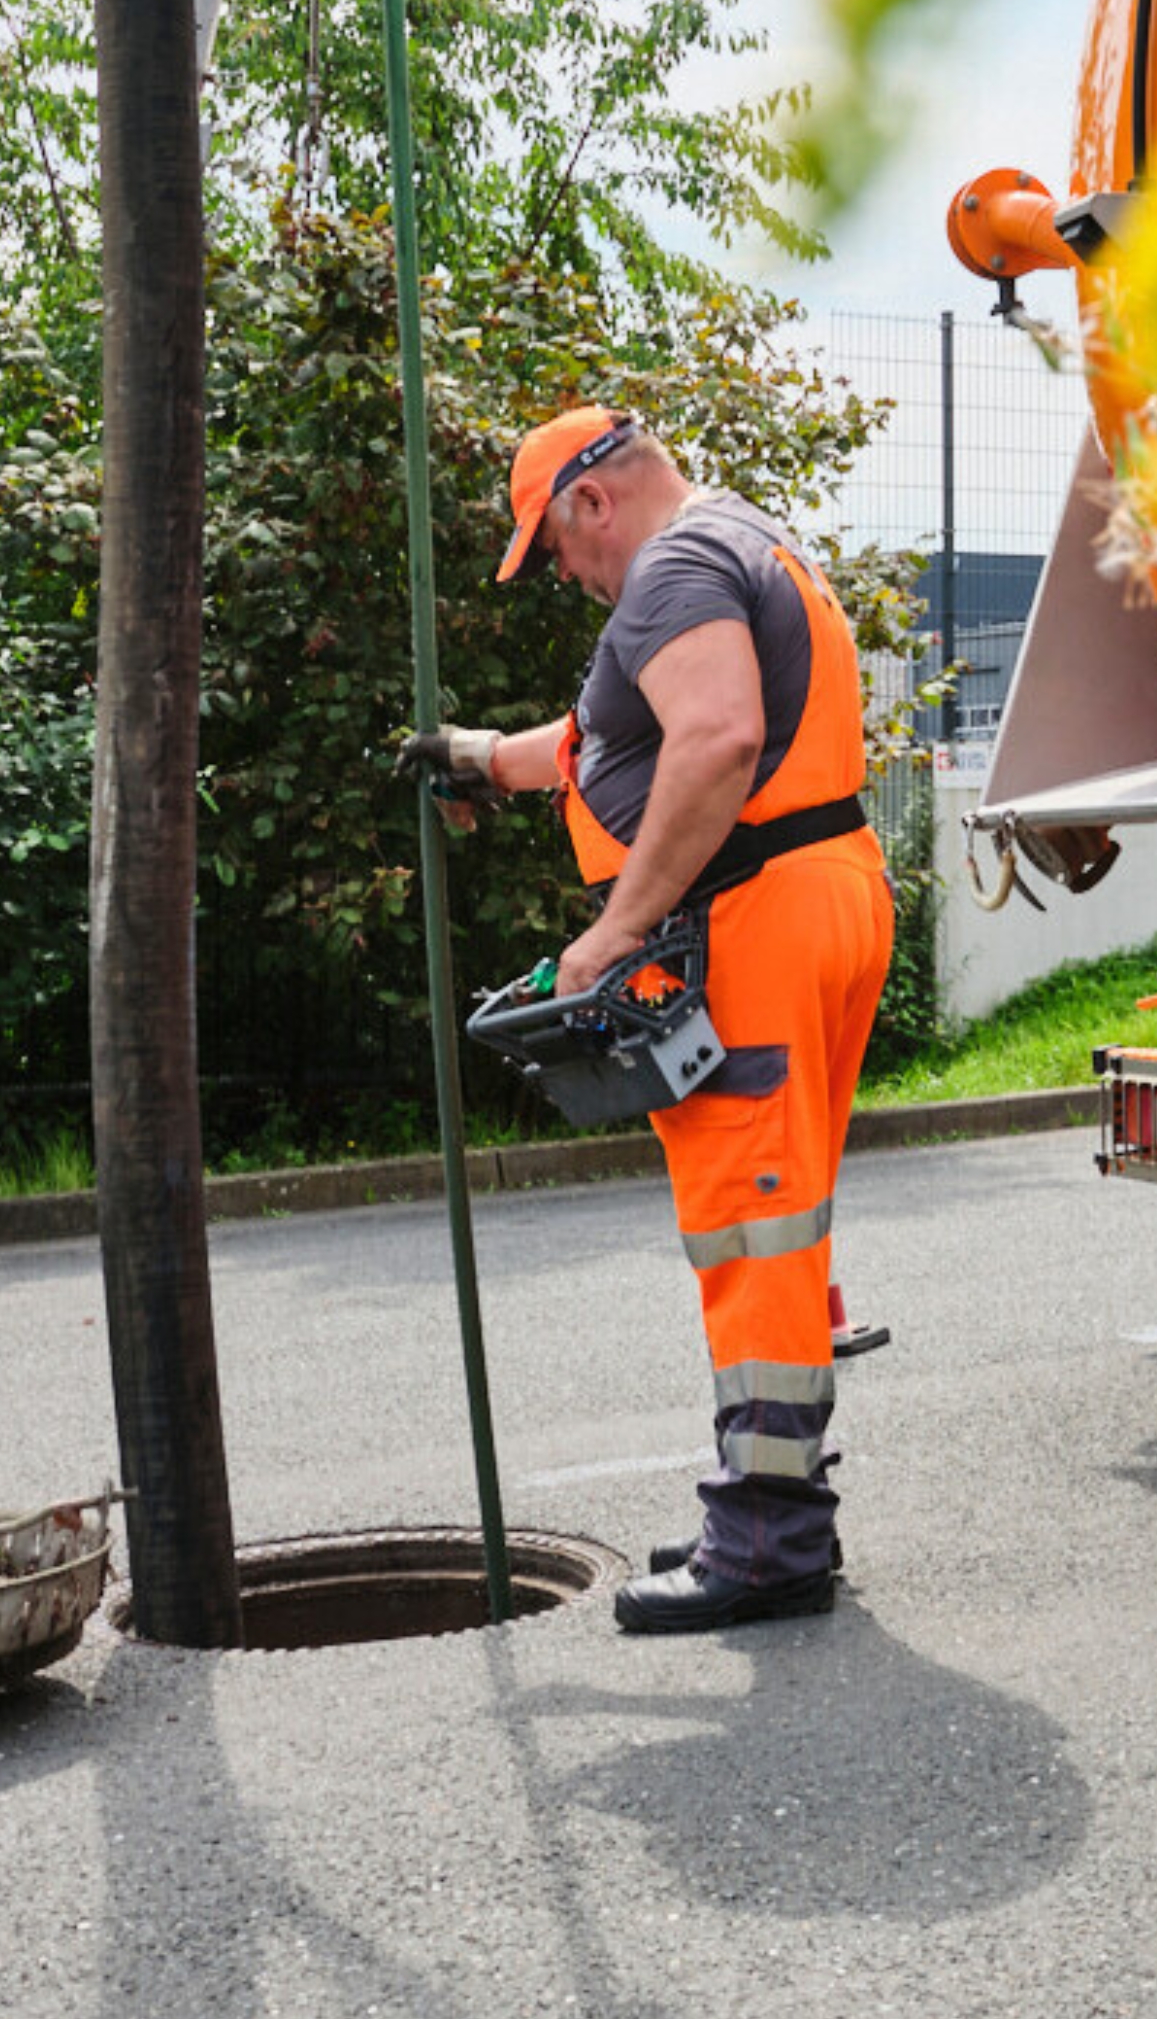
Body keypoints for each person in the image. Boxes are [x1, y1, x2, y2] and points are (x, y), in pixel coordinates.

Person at [404, 405, 893, 1632]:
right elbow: (596, 742)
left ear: (590, 501)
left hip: (755, 923)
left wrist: (617, 927)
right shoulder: (745, 545)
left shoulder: (671, 567)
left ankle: (770, 1545)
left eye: (555, 551)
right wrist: (474, 756)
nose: (565, 576)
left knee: (754, 1231)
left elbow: (715, 737)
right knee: (780, 1228)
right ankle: (767, 1505)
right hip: (820, 894)